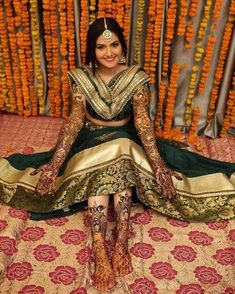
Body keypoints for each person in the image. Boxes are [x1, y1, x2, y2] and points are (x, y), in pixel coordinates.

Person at [0, 17, 234, 291]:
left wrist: (158, 166)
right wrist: (54, 164)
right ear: (92, 50)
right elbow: (75, 122)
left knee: (122, 149)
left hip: (128, 138)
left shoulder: (135, 77)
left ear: (123, 47)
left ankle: (121, 239)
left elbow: (142, 123)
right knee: (109, 156)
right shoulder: (82, 78)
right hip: (91, 140)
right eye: (101, 47)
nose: (109, 53)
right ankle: (100, 247)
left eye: (114, 45)